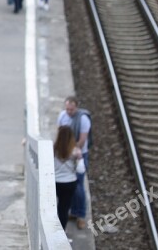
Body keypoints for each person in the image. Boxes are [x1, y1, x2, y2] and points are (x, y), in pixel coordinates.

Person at [57, 97, 91, 230]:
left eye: (71, 109)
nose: (69, 112)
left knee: (78, 186)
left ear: (76, 108)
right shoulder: (62, 116)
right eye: (67, 109)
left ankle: (81, 215)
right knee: (70, 186)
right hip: (67, 152)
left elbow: (82, 140)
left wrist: (72, 151)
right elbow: (59, 132)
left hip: (79, 154)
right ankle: (73, 211)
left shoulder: (83, 119)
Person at [53, 126, 82, 231]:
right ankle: (61, 233)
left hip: (56, 182)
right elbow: (81, 169)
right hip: (70, 182)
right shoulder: (75, 151)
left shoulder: (53, 149)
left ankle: (52, 230)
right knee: (64, 209)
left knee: (53, 207)